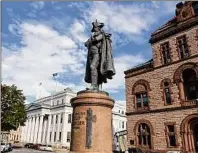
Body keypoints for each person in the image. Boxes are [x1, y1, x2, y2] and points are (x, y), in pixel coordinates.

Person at [84, 20, 116, 91]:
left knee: (93, 66)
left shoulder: (102, 34)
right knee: (94, 69)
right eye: (94, 27)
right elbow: (86, 44)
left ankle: (94, 85)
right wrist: (89, 41)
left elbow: (96, 39)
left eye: (95, 27)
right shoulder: (92, 36)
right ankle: (95, 85)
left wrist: (91, 40)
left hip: (97, 54)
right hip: (91, 55)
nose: (94, 29)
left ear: (98, 28)